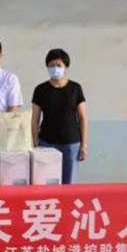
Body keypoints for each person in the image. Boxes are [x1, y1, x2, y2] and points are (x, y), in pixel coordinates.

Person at [31, 48, 88, 184]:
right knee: (46, 181)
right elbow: (34, 119)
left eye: (58, 65)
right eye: (51, 65)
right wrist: (35, 143)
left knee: (69, 182)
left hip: (71, 143)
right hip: (46, 142)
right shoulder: (40, 89)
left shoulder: (75, 88)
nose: (55, 68)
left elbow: (83, 118)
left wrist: (84, 145)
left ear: (66, 67)